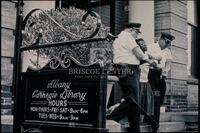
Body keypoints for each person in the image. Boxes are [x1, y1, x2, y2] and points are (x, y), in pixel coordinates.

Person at [107, 22, 156, 133]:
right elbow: (138, 53)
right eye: (137, 32)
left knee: (133, 101)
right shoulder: (127, 36)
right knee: (133, 101)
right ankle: (109, 119)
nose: (137, 35)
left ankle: (133, 128)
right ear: (131, 30)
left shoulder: (119, 38)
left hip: (122, 69)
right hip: (129, 70)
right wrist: (149, 61)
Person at [143, 32, 175, 132]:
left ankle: (148, 119)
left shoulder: (167, 51)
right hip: (151, 75)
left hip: (161, 76)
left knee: (160, 100)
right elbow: (144, 59)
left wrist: (166, 69)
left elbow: (168, 63)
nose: (167, 45)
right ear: (160, 39)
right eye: (166, 42)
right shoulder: (150, 47)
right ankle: (155, 127)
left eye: (169, 43)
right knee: (155, 100)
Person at [135, 38, 154, 120]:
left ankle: (142, 121)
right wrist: (148, 61)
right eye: (142, 44)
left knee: (147, 103)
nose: (145, 45)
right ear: (138, 47)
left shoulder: (147, 55)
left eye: (144, 43)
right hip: (138, 82)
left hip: (145, 82)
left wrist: (154, 60)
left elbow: (155, 63)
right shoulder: (137, 56)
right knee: (137, 103)